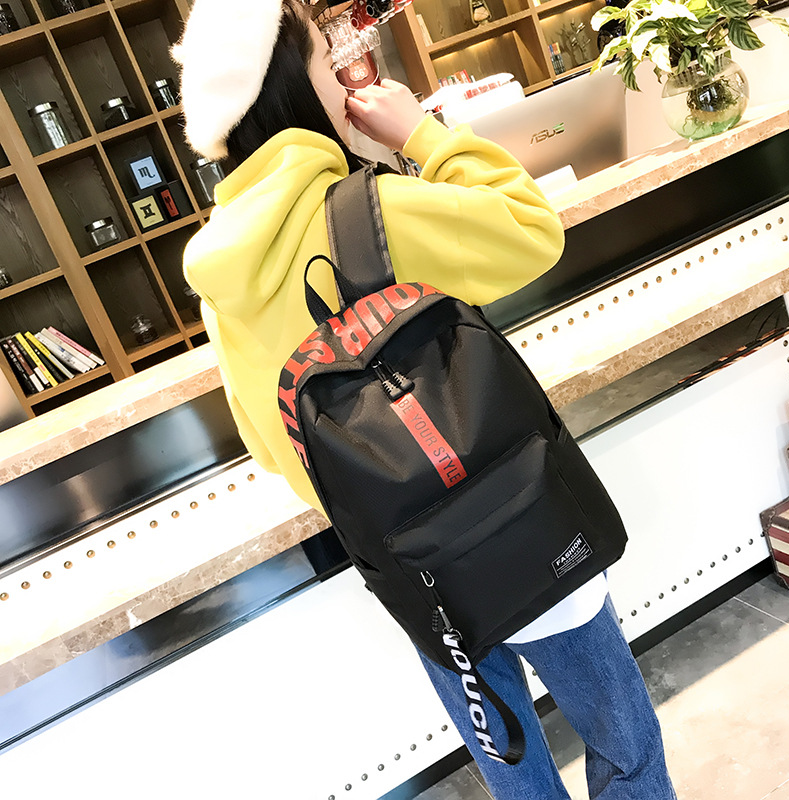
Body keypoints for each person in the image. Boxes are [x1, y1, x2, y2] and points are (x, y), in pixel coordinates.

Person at [174, 1, 678, 797]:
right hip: (518, 516)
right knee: (625, 746)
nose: (340, 73)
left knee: (515, 774)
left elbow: (275, 449)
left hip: (418, 574)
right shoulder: (367, 210)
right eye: (323, 58)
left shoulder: (217, 276)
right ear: (291, 85)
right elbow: (531, 230)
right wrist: (422, 135)